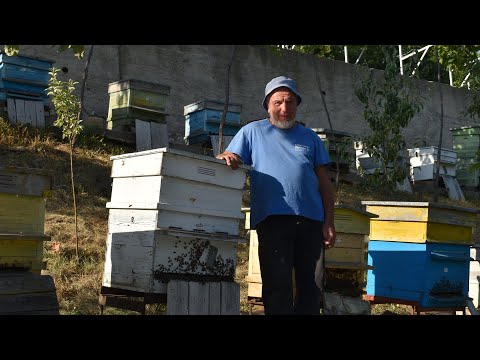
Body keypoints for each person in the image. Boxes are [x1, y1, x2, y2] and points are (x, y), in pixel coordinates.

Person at [216, 75, 336, 315]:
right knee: (276, 284)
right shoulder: (252, 132)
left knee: (311, 286)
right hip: (272, 220)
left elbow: (324, 183)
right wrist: (225, 157)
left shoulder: (310, 137)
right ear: (268, 105)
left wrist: (329, 222)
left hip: (311, 221)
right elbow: (230, 157)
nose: (284, 108)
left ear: (297, 105)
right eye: (278, 102)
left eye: (290, 102)